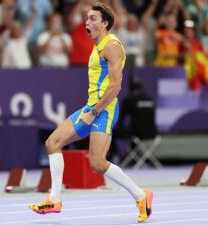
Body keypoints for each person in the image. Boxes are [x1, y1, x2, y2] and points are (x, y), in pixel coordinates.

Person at [28, 3, 153, 223]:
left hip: (103, 110)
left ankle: (142, 196)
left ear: (105, 23)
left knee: (97, 162)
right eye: (87, 18)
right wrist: (90, 110)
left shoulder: (112, 46)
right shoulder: (97, 46)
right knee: (52, 143)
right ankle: (54, 199)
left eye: (93, 18)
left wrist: (94, 112)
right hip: (91, 107)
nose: (87, 22)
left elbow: (115, 87)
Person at [1, 4, 35, 69]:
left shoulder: (23, 40)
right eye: (15, 29)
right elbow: (6, 23)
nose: (17, 31)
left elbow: (28, 26)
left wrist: (33, 13)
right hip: (14, 72)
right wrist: (6, 10)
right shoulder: (8, 42)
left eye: (18, 29)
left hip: (26, 70)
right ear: (11, 31)